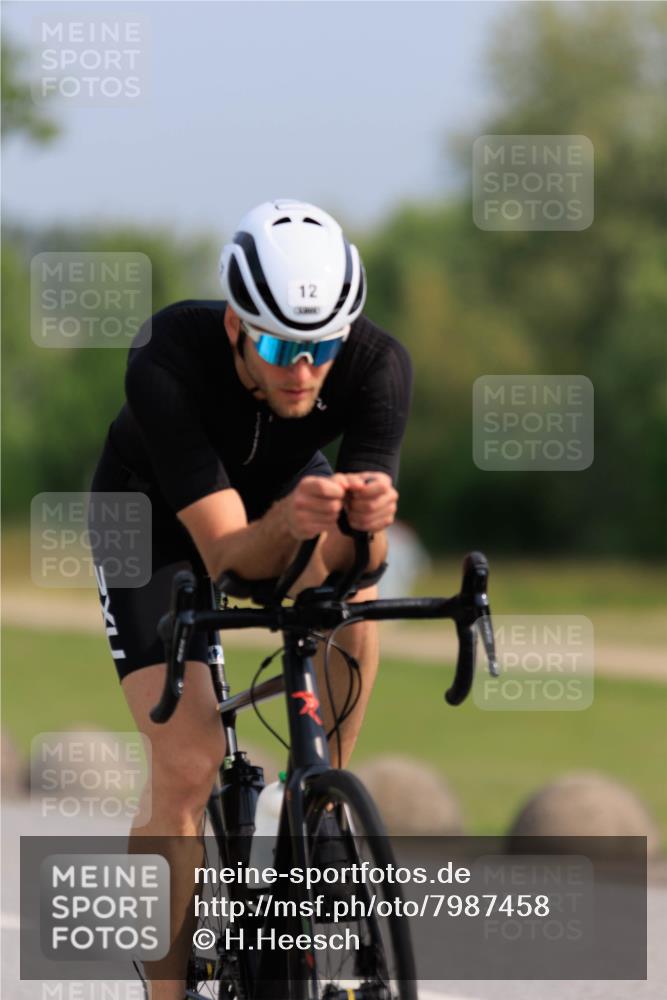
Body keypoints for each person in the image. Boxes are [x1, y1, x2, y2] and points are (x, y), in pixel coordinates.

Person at [90, 199, 412, 998]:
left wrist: (368, 529)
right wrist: (297, 524)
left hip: (278, 499)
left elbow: (359, 560)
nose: (302, 370)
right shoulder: (166, 357)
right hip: (155, 520)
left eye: (321, 348)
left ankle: (324, 808)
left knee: (349, 596)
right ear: (237, 325)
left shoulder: (376, 364)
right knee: (189, 763)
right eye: (278, 346)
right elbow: (230, 557)